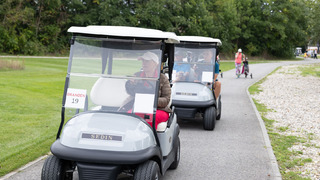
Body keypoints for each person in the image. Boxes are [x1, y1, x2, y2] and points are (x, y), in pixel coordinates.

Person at [125, 51, 172, 128]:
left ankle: (149, 138)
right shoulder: (138, 75)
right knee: (128, 116)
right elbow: (130, 92)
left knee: (149, 118)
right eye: (143, 61)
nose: (144, 63)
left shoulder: (163, 78)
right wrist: (131, 84)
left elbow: (166, 99)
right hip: (138, 107)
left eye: (147, 61)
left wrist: (150, 101)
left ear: (155, 63)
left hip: (158, 109)